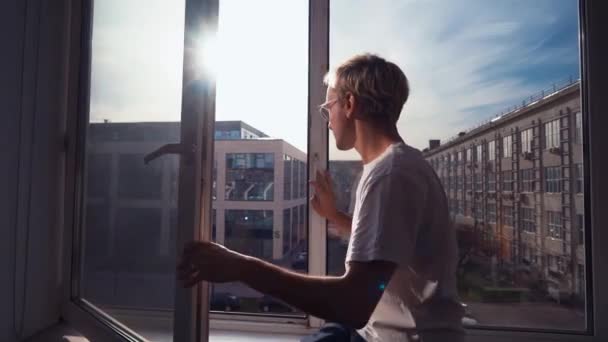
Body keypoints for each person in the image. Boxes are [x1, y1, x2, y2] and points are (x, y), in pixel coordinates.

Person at [177, 53, 465, 341]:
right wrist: (334, 216)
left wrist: (241, 267)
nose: (328, 122)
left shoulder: (391, 174)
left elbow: (352, 304)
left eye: (329, 108)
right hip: (380, 330)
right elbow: (392, 243)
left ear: (350, 105)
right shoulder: (397, 165)